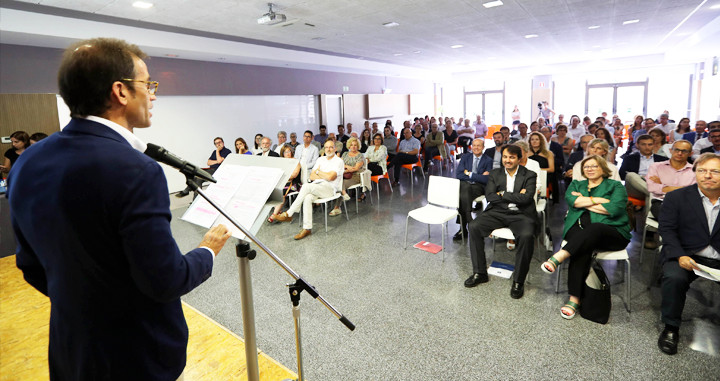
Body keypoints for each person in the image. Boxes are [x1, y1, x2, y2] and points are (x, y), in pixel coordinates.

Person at [6, 38, 232, 380]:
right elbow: (165, 281)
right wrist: (208, 250)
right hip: (135, 356)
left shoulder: (28, 161)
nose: (153, 94)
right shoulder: (136, 170)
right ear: (120, 92)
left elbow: (29, 264)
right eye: (148, 84)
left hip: (72, 349)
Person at [540, 155, 631, 319]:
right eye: (586, 167)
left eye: (594, 166)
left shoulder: (615, 186)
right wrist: (599, 200)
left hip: (612, 233)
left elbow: (615, 209)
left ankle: (560, 257)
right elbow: (571, 200)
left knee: (594, 229)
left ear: (603, 168)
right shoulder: (576, 184)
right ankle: (574, 299)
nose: (589, 169)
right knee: (582, 247)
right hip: (578, 229)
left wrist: (583, 201)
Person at [656, 153, 720, 355]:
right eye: (702, 170)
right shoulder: (677, 197)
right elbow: (667, 229)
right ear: (696, 173)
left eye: (715, 171)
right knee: (674, 278)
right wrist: (679, 255)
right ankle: (671, 328)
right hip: (687, 254)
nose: (707, 175)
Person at [464, 145, 537, 300]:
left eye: (511, 157)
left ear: (519, 159)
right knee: (474, 226)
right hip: (497, 211)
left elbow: (527, 199)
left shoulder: (530, 175)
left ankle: (518, 281)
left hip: (520, 214)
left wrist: (502, 193)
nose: (507, 160)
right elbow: (490, 196)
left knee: (526, 235)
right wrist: (515, 195)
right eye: (505, 157)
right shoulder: (495, 174)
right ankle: (480, 273)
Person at [271, 139, 344, 240]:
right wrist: (323, 174)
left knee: (305, 186)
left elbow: (331, 178)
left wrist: (319, 172)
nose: (329, 149)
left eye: (331, 147)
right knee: (308, 198)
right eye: (326, 147)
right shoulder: (320, 159)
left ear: (335, 148)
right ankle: (307, 229)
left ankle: (289, 213)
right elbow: (312, 176)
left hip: (329, 188)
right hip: (316, 186)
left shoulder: (338, 161)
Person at [644, 140, 695, 249]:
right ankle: (675, 246)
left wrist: (663, 186)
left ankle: (671, 246)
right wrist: (683, 189)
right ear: (671, 150)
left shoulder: (694, 171)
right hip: (661, 203)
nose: (680, 153)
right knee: (673, 218)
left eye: (684, 151)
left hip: (686, 205)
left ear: (690, 153)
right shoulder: (656, 166)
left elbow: (693, 192)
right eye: (677, 150)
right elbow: (652, 187)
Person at [454, 138, 493, 241]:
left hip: (478, 187)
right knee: (465, 187)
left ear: (483, 147)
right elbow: (459, 174)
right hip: (465, 185)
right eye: (474, 145)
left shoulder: (488, 160)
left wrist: (469, 173)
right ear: (471, 146)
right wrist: (478, 176)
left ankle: (462, 229)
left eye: (478, 145)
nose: (476, 147)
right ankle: (469, 220)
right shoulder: (465, 157)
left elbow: (486, 179)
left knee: (462, 195)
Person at [619, 134, 668, 201]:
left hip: (654, 184)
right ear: (638, 145)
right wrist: (640, 177)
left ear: (654, 145)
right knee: (631, 175)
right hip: (635, 187)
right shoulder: (629, 158)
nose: (647, 147)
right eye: (643, 144)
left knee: (651, 192)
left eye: (650, 144)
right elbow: (621, 175)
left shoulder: (663, 160)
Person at [329, 137, 365, 216]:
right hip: (344, 175)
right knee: (336, 181)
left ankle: (337, 207)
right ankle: (343, 194)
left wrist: (345, 169)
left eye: (355, 145)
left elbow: (355, 169)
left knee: (341, 183)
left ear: (358, 146)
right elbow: (339, 164)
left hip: (356, 176)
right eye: (351, 145)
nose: (353, 147)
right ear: (349, 146)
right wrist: (347, 167)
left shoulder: (360, 156)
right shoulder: (345, 154)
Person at [267, 145, 302, 223]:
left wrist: (284, 176)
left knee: (281, 193)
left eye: (289, 151)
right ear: (283, 153)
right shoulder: (282, 162)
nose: (288, 153)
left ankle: (274, 215)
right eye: (286, 152)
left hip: (294, 184)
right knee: (273, 190)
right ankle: (278, 211)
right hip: (283, 182)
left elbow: (294, 175)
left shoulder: (295, 161)